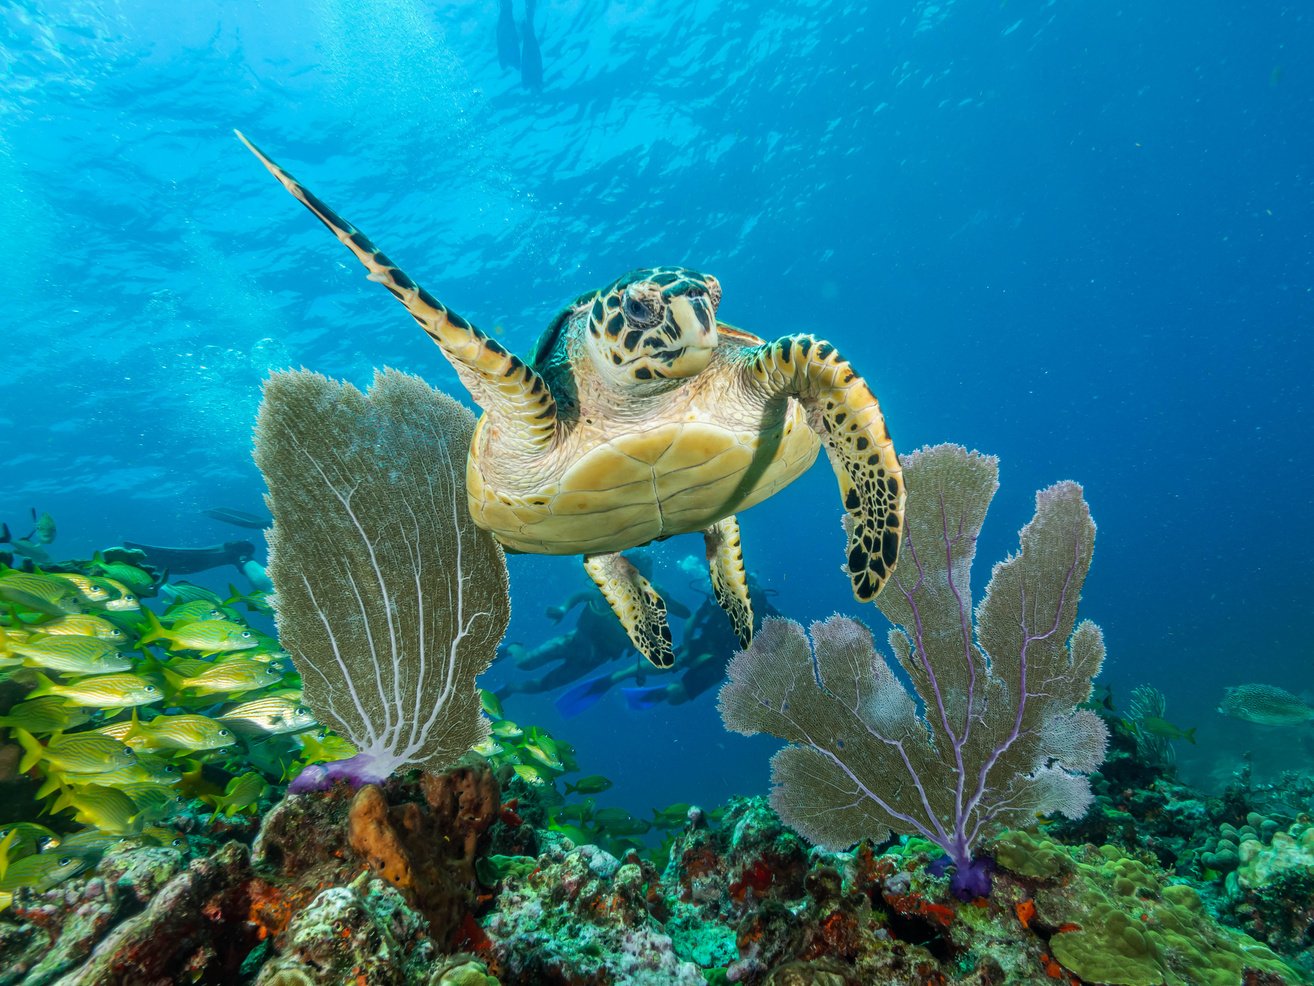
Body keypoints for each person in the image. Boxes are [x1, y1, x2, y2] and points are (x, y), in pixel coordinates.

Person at [555, 575, 784, 716]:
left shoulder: (725, 597)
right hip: (722, 656)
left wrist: (687, 647)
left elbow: (692, 621)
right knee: (679, 696)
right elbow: (773, 644)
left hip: (702, 643)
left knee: (670, 662)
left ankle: (619, 675)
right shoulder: (765, 610)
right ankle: (665, 692)